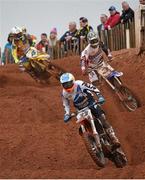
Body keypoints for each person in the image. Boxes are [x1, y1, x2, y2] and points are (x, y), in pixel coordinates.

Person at [60, 72, 120, 148]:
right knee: (84, 123)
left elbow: (93, 88)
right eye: (65, 84)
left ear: (73, 81)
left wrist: (99, 96)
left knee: (102, 117)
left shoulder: (80, 84)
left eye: (68, 83)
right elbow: (66, 104)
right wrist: (67, 114)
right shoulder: (64, 93)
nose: (67, 86)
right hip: (80, 109)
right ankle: (92, 142)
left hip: (91, 103)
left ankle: (113, 137)